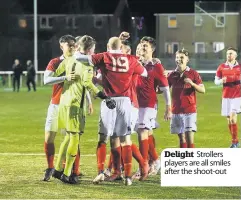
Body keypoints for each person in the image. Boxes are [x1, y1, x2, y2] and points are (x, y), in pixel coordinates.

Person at [75, 36, 147, 186]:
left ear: (108, 46)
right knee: (125, 139)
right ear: (121, 47)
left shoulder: (104, 56)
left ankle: (101, 172)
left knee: (104, 138)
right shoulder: (131, 59)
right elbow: (144, 72)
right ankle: (127, 177)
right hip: (126, 102)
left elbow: (81, 58)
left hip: (109, 100)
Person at [51, 35, 116, 184]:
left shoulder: (69, 58)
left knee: (67, 137)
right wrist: (104, 96)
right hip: (75, 105)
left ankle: (57, 169)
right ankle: (67, 174)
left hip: (64, 103)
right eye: (93, 50)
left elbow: (58, 73)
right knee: (74, 138)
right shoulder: (87, 64)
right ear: (90, 50)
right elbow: (88, 84)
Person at [135, 37, 171, 177]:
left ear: (152, 50)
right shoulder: (134, 62)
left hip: (148, 104)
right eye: (141, 45)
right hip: (135, 104)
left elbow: (165, 88)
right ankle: (155, 160)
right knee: (147, 133)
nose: (142, 48)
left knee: (142, 131)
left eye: (145, 46)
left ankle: (143, 166)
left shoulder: (156, 66)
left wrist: (168, 107)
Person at [42, 35, 77, 181]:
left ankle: (71, 170)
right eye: (68, 44)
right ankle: (50, 167)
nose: (72, 47)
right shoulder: (55, 62)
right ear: (61, 46)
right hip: (56, 105)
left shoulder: (78, 61)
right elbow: (46, 80)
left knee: (72, 138)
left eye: (73, 45)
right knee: (49, 138)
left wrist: (88, 100)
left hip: (71, 106)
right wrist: (65, 77)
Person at [167, 48, 205, 148]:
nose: (179, 59)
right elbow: (161, 89)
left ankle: (191, 160)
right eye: (177, 57)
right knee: (181, 138)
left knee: (189, 138)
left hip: (189, 110)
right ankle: (184, 160)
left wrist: (192, 84)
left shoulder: (193, 73)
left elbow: (202, 90)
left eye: (182, 57)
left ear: (187, 59)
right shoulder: (171, 75)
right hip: (176, 111)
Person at [214, 47, 241, 148]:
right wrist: (221, 81)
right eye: (228, 54)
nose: (229, 55)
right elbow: (216, 81)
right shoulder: (221, 67)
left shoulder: (240, 67)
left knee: (233, 118)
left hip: (237, 96)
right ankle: (235, 141)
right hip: (226, 96)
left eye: (231, 53)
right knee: (229, 119)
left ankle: (234, 142)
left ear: (235, 55)